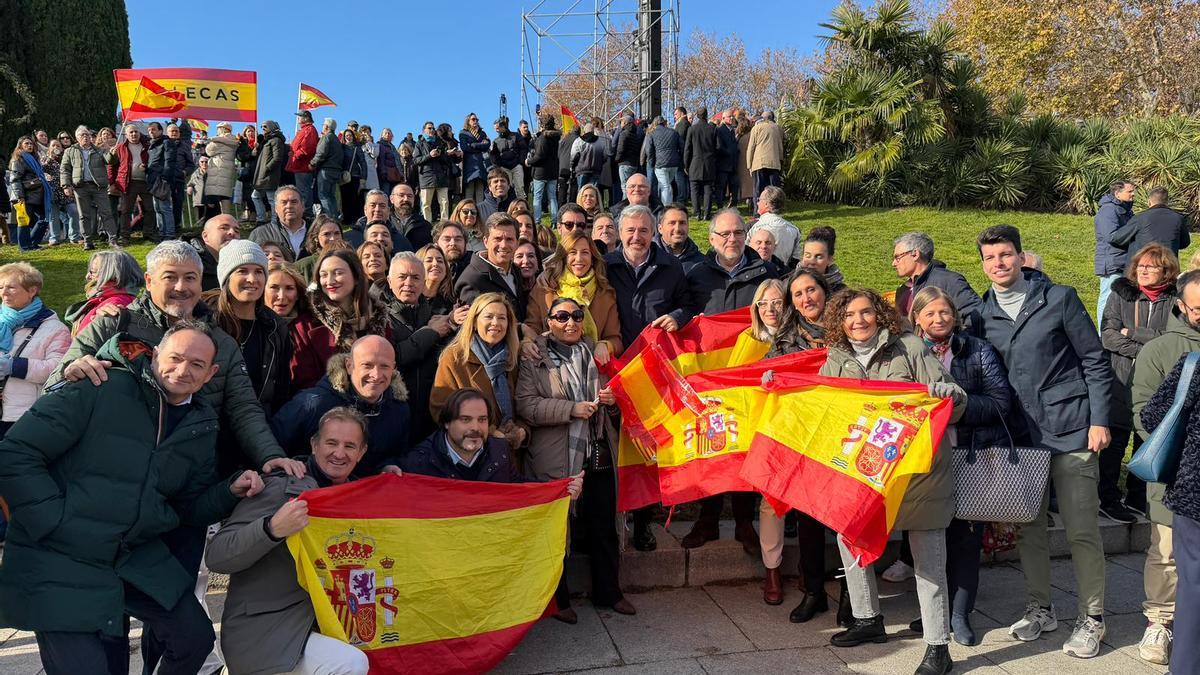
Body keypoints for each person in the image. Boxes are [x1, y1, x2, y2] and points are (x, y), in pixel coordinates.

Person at [0, 322, 263, 675]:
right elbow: (15, 452)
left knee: (195, 639)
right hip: (59, 555)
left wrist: (228, 491)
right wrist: (52, 520)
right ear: (155, 355)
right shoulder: (100, 386)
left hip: (131, 555)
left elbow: (188, 506)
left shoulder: (201, 423)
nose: (183, 370)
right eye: (175, 358)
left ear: (211, 374)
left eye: (197, 365)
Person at [975, 224, 1113, 659]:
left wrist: (1099, 420)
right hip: (1020, 437)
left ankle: (1093, 617)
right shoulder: (982, 314)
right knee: (1029, 530)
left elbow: (1094, 360)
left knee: (1081, 531)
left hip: (1071, 428)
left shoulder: (1059, 299)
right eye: (990, 257)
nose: (998, 264)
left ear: (1021, 257)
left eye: (1005, 255)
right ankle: (1041, 607)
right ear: (982, 265)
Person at [812, 288, 964, 675]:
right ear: (839, 322)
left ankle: (937, 648)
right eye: (849, 315)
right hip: (866, 474)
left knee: (928, 562)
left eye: (866, 312)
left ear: (880, 314)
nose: (858, 320)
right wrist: (776, 386)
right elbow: (820, 407)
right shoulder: (837, 358)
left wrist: (949, 393)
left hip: (917, 475)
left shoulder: (910, 347)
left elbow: (956, 400)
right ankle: (867, 619)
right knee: (850, 539)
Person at [207, 407, 371, 675]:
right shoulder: (280, 487)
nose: (339, 453)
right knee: (349, 664)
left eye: (350, 446)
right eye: (331, 443)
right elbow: (218, 556)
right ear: (314, 444)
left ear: (362, 452)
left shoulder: (359, 497)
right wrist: (271, 529)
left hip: (324, 625)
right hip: (268, 630)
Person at [516, 296, 636, 622]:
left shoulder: (595, 354)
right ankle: (559, 600)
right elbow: (526, 405)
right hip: (554, 456)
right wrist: (570, 409)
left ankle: (609, 593)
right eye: (562, 316)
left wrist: (611, 402)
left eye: (576, 316)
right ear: (549, 321)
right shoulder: (534, 355)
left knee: (603, 526)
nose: (570, 322)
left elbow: (619, 400)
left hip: (596, 451)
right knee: (557, 530)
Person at [909, 285, 1012, 647]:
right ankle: (932, 610)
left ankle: (960, 613)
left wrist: (955, 409)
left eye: (944, 312)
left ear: (955, 315)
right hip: (923, 461)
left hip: (970, 456)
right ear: (917, 318)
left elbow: (1000, 402)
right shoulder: (907, 353)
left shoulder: (978, 351)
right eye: (930, 313)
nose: (938, 319)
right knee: (928, 540)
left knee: (966, 539)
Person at [605, 205, 694, 551]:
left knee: (647, 450)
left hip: (654, 374)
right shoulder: (607, 266)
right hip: (613, 369)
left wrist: (677, 315)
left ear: (654, 231)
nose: (637, 237)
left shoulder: (671, 267)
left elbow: (688, 305)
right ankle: (613, 522)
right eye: (630, 230)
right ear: (619, 232)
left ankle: (643, 523)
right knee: (614, 449)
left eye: (643, 230)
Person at [758, 269, 837, 623]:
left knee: (843, 515)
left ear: (824, 291)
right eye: (799, 294)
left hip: (841, 431)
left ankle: (853, 598)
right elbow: (765, 370)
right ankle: (814, 592)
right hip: (803, 435)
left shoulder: (847, 326)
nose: (807, 299)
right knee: (807, 519)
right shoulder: (788, 336)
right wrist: (767, 375)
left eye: (812, 290)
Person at [1130, 268, 1200, 666]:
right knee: (1168, 554)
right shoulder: (1165, 351)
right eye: (1198, 308)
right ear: (1181, 306)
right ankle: (1159, 621)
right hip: (1179, 475)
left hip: (1189, 483)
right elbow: (1145, 413)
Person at [1100, 243, 1179, 524]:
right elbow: (1108, 336)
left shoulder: (1175, 299)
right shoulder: (1120, 294)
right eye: (1141, 266)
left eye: (1152, 266)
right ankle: (1107, 498)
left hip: (1157, 380)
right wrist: (1146, 350)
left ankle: (1137, 495)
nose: (1144, 271)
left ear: (1166, 271)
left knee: (1147, 438)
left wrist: (1132, 332)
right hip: (1120, 376)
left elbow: (1171, 337)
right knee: (1117, 438)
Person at [271, 335, 410, 475]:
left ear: (393, 369)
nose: (376, 374)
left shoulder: (398, 410)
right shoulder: (312, 404)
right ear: (349, 365)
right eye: (367, 365)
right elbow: (272, 446)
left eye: (384, 366)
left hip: (362, 493)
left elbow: (396, 454)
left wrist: (386, 466)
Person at [203, 239, 292, 418]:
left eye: (259, 272)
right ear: (226, 278)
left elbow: (281, 389)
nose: (252, 279)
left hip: (259, 424)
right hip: (210, 425)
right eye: (242, 271)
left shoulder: (275, 328)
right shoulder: (205, 323)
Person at [431, 293, 527, 451]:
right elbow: (440, 408)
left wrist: (522, 431)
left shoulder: (514, 358)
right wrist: (489, 433)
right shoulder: (455, 357)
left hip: (511, 455)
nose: (495, 323)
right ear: (474, 322)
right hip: (471, 452)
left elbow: (525, 403)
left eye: (502, 318)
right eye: (488, 316)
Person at [290, 249, 390, 391]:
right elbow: (302, 381)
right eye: (323, 275)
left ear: (356, 277)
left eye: (338, 273)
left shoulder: (379, 318)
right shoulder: (305, 325)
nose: (329, 281)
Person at [383, 252, 457, 442]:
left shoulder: (436, 317)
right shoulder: (380, 319)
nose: (409, 283)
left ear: (424, 283)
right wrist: (430, 333)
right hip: (393, 418)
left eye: (416, 277)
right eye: (402, 277)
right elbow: (395, 358)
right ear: (389, 281)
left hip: (431, 419)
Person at [524, 229, 622, 364]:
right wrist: (527, 342)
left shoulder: (605, 293)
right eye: (572, 252)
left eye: (585, 253)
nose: (579, 258)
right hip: (551, 367)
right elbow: (532, 326)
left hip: (592, 368)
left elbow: (616, 339)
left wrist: (605, 345)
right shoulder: (545, 287)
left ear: (593, 258)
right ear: (564, 256)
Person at [0, 262, 71, 433]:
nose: (3, 293)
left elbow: (58, 370)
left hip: (22, 415)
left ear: (32, 290)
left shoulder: (55, 328)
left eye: (11, 287)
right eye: (1, 287)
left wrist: (14, 366)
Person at [454, 212, 529, 323]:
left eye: (509, 239)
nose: (503, 245)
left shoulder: (515, 270)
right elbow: (472, 327)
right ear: (485, 241)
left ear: (517, 243)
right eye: (497, 239)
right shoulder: (472, 280)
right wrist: (520, 329)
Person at [891, 231, 982, 320]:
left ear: (915, 254)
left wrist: (957, 335)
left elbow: (978, 317)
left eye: (898, 257)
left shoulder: (949, 281)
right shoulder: (902, 290)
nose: (893, 263)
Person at [59, 125, 118, 250]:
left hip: (98, 187)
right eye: (82, 135)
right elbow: (64, 169)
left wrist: (112, 154)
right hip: (80, 187)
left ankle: (112, 240)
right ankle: (88, 241)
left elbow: (110, 161)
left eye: (87, 135)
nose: (85, 137)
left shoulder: (98, 150)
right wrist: (66, 185)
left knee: (106, 213)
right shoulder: (70, 151)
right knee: (83, 215)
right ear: (77, 138)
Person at [63, 249, 142, 335]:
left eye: (93, 272)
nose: (87, 276)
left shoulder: (115, 305)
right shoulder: (106, 298)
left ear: (112, 275)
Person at [106, 124, 159, 243]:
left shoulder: (147, 146)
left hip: (145, 182)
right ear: (126, 134)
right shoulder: (120, 148)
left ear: (139, 133)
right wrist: (112, 182)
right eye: (131, 132)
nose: (134, 134)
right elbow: (111, 166)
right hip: (128, 183)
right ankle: (124, 236)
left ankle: (148, 233)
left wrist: (147, 167)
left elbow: (154, 163)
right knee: (126, 210)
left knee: (150, 208)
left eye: (136, 132)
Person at [1095, 179, 1136, 323]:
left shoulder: (1126, 210)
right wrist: (1133, 234)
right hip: (1112, 261)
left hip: (1121, 260)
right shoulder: (1109, 210)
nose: (1133, 194)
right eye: (1129, 191)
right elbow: (1111, 236)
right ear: (1118, 194)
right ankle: (1101, 333)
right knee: (1107, 297)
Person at [1113, 186, 1191, 257]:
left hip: (1145, 265)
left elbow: (1118, 238)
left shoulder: (1140, 218)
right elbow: (1185, 243)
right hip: (1169, 265)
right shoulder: (1178, 218)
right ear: (1167, 202)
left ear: (1149, 202)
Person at [7, 135, 52, 251]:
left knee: (44, 219)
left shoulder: (34, 159)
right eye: (26, 143)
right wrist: (19, 196)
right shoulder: (19, 159)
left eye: (31, 144)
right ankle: (25, 247)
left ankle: (32, 243)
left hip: (37, 195)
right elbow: (15, 179)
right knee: (24, 222)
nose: (30, 146)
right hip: (25, 196)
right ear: (20, 146)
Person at [250, 186, 311, 262]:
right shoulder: (260, 234)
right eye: (284, 202)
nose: (289, 206)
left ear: (303, 206)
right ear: (276, 208)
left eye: (294, 202)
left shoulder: (317, 231)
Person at [747, 186, 802, 269]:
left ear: (766, 204)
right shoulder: (794, 229)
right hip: (783, 276)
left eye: (759, 200)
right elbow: (795, 260)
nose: (757, 203)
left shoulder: (753, 226)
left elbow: (743, 255)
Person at [145, 122, 180, 239]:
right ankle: (162, 233)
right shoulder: (152, 144)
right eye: (149, 130)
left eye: (153, 129)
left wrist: (165, 179)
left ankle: (169, 234)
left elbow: (169, 162)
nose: (151, 132)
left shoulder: (166, 142)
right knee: (158, 209)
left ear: (160, 131)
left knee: (165, 208)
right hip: (153, 180)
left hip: (162, 180)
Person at [189, 214, 240, 291]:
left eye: (237, 231)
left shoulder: (244, 263)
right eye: (224, 228)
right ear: (205, 236)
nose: (232, 233)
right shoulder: (189, 263)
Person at [415, 121, 454, 223]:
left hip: (441, 176)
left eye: (433, 128)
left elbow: (445, 159)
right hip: (426, 177)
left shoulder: (440, 142)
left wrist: (441, 155)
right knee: (426, 204)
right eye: (429, 128)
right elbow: (416, 160)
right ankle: (426, 225)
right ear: (424, 130)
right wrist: (429, 155)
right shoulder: (419, 143)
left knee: (444, 202)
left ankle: (444, 224)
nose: (431, 130)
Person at [684, 107, 718, 220]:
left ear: (697, 116)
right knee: (708, 190)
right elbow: (718, 147)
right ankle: (706, 214)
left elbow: (687, 149)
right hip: (709, 163)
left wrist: (686, 165)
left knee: (694, 190)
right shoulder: (712, 129)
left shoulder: (692, 129)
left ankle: (697, 213)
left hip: (694, 163)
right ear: (707, 115)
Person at [251, 120, 287, 225]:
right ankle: (261, 219)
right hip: (263, 175)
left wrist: (267, 168)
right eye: (262, 128)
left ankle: (275, 221)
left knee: (272, 199)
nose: (263, 129)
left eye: (265, 127)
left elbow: (277, 158)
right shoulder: (268, 140)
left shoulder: (276, 140)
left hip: (269, 175)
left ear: (271, 127)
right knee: (256, 196)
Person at [747, 110, 785, 208]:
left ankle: (757, 211)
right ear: (773, 118)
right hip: (775, 163)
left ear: (762, 118)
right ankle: (775, 209)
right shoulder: (779, 129)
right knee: (774, 190)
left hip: (759, 163)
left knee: (758, 190)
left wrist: (749, 165)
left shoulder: (757, 128)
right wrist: (781, 161)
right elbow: (781, 147)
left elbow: (751, 148)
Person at [528, 113, 561, 225]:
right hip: (553, 171)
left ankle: (537, 221)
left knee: (537, 197)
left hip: (541, 172)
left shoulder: (543, 138)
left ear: (542, 125)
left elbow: (539, 156)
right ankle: (554, 221)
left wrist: (529, 161)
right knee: (552, 197)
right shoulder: (556, 137)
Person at [645, 115, 683, 205]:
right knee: (667, 184)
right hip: (674, 163)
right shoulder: (673, 132)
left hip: (660, 163)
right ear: (664, 123)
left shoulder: (651, 133)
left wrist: (651, 163)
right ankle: (664, 204)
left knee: (665, 186)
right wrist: (679, 158)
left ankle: (666, 208)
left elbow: (649, 150)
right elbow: (682, 147)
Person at [655, 203, 704, 273]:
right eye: (672, 223)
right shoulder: (646, 258)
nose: (677, 229)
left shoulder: (701, 263)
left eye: (682, 223)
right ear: (660, 228)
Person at [287, 110, 320, 215]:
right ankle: (305, 213)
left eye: (300, 116)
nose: (298, 119)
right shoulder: (305, 130)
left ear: (306, 118)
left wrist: (295, 155)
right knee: (302, 191)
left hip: (303, 166)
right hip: (299, 166)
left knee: (304, 191)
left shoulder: (309, 130)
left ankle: (307, 214)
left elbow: (307, 148)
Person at [310, 118, 344, 219]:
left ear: (326, 126)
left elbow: (320, 153)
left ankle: (329, 219)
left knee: (323, 195)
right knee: (331, 196)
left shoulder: (326, 138)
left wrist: (312, 163)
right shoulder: (337, 140)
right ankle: (334, 219)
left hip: (326, 171)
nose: (322, 127)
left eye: (323, 125)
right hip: (336, 171)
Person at [204, 122, 239, 216]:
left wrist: (211, 141)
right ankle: (227, 217)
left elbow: (209, 151)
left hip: (218, 170)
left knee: (213, 195)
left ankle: (214, 220)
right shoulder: (233, 140)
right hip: (228, 170)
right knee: (225, 196)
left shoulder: (219, 141)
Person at [801, 226, 846, 293]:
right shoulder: (789, 285)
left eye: (819, 257)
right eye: (808, 255)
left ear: (830, 259)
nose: (812, 262)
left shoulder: (841, 293)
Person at [490, 117, 526, 200]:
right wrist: (498, 166)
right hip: (504, 167)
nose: (496, 130)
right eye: (495, 129)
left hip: (517, 166)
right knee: (506, 189)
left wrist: (520, 162)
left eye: (497, 128)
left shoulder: (516, 135)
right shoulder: (496, 141)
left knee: (520, 188)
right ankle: (508, 209)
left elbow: (523, 148)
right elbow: (494, 155)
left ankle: (523, 209)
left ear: (503, 127)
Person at [460, 113, 492, 204]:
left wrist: (474, 145)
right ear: (468, 121)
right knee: (469, 192)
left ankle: (480, 216)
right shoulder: (463, 133)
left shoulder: (482, 133)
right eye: (473, 119)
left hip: (482, 164)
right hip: (470, 165)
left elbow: (487, 145)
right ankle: (467, 212)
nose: (476, 121)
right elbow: (464, 148)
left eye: (477, 119)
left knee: (480, 191)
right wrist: (481, 145)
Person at [390, 182, 433, 249]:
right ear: (392, 199)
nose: (406, 199)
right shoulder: (385, 223)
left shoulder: (424, 226)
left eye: (409, 196)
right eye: (401, 195)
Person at [571, 123, 610, 192]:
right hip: (596, 171)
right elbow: (605, 156)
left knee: (581, 193)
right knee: (594, 192)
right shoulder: (600, 142)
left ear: (584, 130)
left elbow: (574, 156)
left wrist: (573, 167)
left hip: (581, 171)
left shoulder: (578, 141)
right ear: (593, 131)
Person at [339, 129, 367, 224]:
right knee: (344, 197)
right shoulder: (341, 147)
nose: (348, 137)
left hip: (354, 176)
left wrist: (363, 177)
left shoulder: (356, 148)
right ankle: (346, 218)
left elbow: (363, 163)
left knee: (353, 198)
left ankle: (353, 219)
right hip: (343, 176)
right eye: (346, 135)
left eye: (350, 135)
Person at [714, 111, 739, 209]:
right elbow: (719, 146)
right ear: (723, 118)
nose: (732, 118)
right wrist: (729, 152)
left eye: (732, 116)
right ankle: (720, 206)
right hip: (723, 164)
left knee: (734, 186)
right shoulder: (719, 130)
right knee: (721, 187)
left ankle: (733, 205)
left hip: (732, 164)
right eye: (729, 117)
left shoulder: (732, 131)